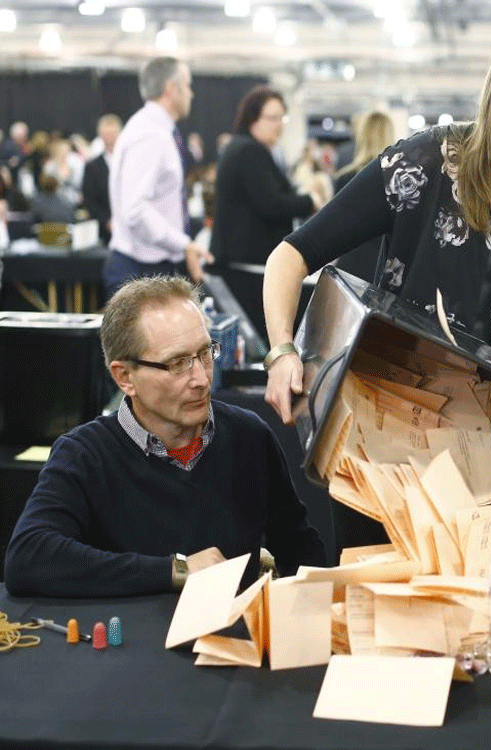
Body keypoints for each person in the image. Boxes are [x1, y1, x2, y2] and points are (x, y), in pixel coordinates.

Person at [262, 17, 491, 423]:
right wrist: (280, 352)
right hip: (379, 411)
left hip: (473, 431)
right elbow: (291, 255)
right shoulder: (428, 161)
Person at [3, 276, 326, 598]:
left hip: (231, 641)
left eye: (204, 354)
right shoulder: (85, 455)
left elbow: (298, 545)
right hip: (129, 641)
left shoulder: (249, 436)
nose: (200, 379)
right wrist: (176, 570)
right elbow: (29, 558)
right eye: (178, 363)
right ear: (124, 377)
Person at [208, 85, 320, 337]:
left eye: (282, 118)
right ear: (253, 118)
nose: (279, 125)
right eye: (272, 118)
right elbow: (272, 204)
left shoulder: (248, 148)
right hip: (245, 271)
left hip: (245, 266)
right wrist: (309, 200)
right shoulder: (249, 151)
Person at [104, 57, 211, 298]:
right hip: (139, 269)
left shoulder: (153, 129)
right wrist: (183, 244)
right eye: (188, 85)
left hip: (145, 267)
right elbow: (135, 210)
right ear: (171, 89)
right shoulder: (150, 135)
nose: (192, 94)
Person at [330, 110, 397, 281]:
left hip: (350, 265)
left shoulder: (344, 178)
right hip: (385, 267)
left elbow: (334, 229)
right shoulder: (399, 179)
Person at [82, 113, 121, 245]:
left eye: (113, 134)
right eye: (106, 134)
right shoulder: (92, 167)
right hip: (103, 232)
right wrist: (106, 222)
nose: (109, 138)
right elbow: (89, 198)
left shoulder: (129, 163)